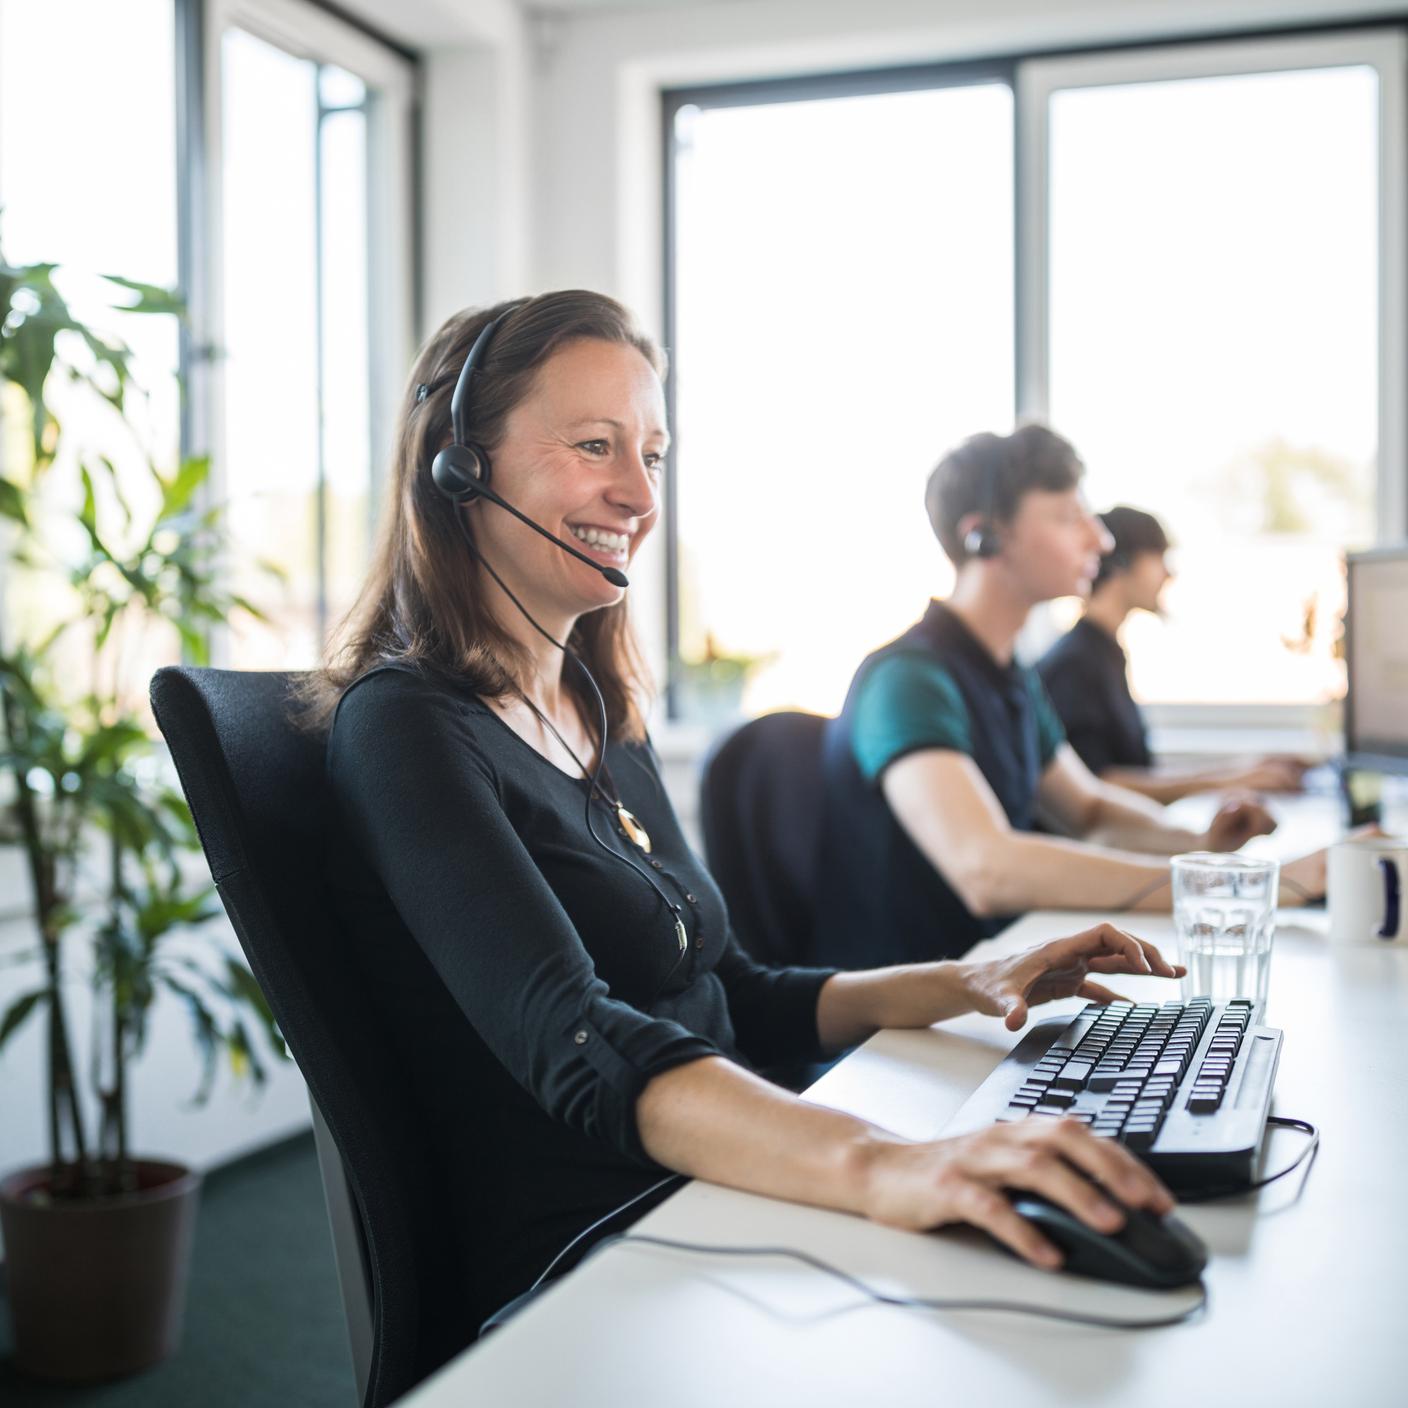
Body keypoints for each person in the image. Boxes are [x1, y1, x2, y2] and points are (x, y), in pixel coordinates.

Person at [304, 295, 1184, 1338]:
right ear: (462, 464)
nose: (637, 494)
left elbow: (730, 992)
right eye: (595, 446)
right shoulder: (405, 726)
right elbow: (576, 1041)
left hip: (723, 1183)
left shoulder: (594, 707)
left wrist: (966, 981)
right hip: (607, 1257)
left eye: (654, 454)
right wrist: (881, 1163)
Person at [809, 426, 1326, 973]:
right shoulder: (907, 680)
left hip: (996, 980)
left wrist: (1200, 842)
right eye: (1067, 516)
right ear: (983, 536)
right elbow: (987, 868)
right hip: (900, 1029)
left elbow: (1090, 811)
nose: (1099, 541)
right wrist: (1237, 888)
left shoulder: (1009, 676)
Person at [1038, 505, 1312, 803]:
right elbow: (1097, 783)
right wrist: (1231, 781)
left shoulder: (1104, 653)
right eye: (1158, 557)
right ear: (1122, 562)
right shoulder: (1075, 664)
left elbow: (1136, 772)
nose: (1168, 573)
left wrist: (1242, 769)